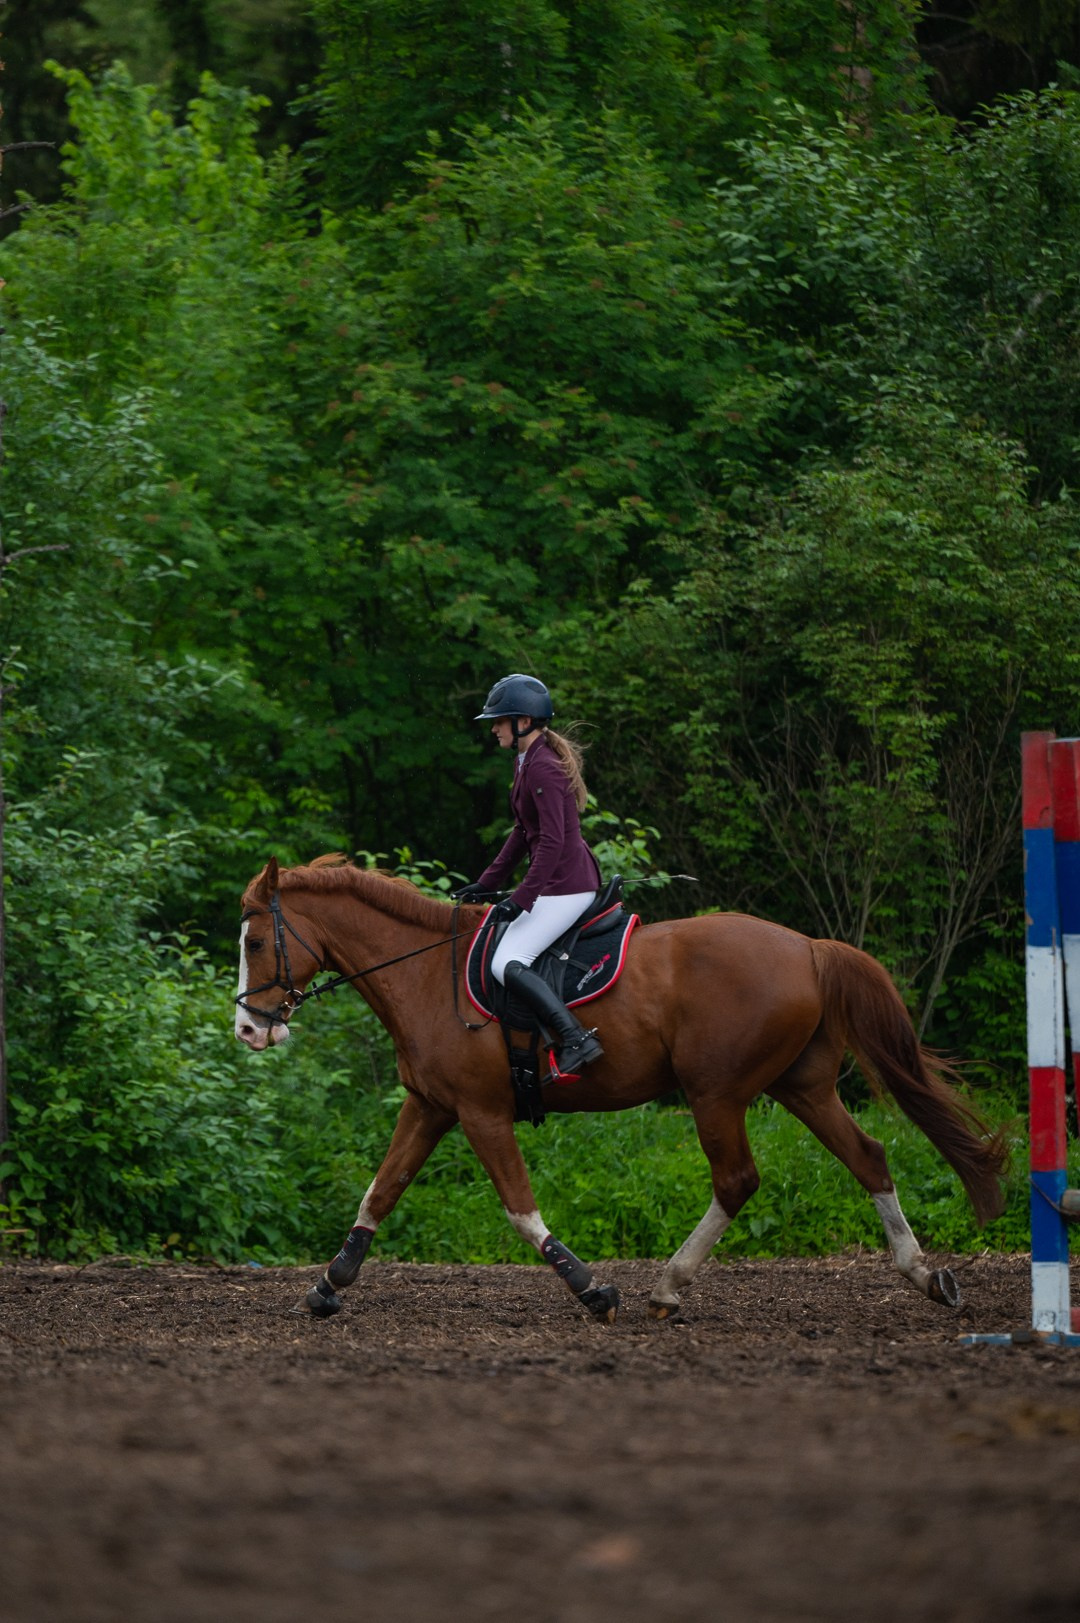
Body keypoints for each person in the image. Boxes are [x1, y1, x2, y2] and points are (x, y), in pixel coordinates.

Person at [455, 673, 604, 1076]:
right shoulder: (528, 762)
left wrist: (521, 898)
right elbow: (524, 832)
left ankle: (575, 1038)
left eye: (499, 721)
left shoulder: (543, 768)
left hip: (568, 887)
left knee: (507, 961)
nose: (493, 729)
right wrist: (487, 882)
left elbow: (553, 843)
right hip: (557, 885)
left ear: (524, 722)